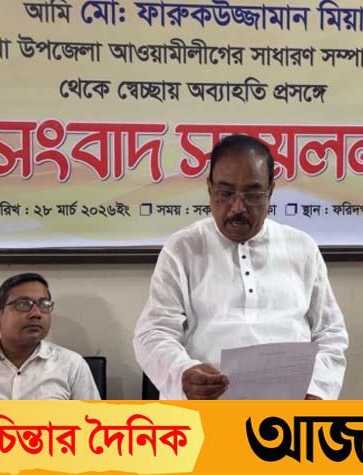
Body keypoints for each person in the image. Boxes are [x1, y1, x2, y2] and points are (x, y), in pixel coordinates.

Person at [134, 134, 349, 400]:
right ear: (209, 189)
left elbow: (330, 333)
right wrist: (182, 373)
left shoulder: (302, 247)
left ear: (270, 191)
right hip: (208, 409)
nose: (237, 207)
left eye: (252, 195)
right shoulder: (183, 248)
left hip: (289, 409)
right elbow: (153, 333)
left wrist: (316, 390)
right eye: (225, 193)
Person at [0, 273, 99, 400]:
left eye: (44, 305)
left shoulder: (72, 365)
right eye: (23, 304)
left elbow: (92, 425)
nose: (36, 313)